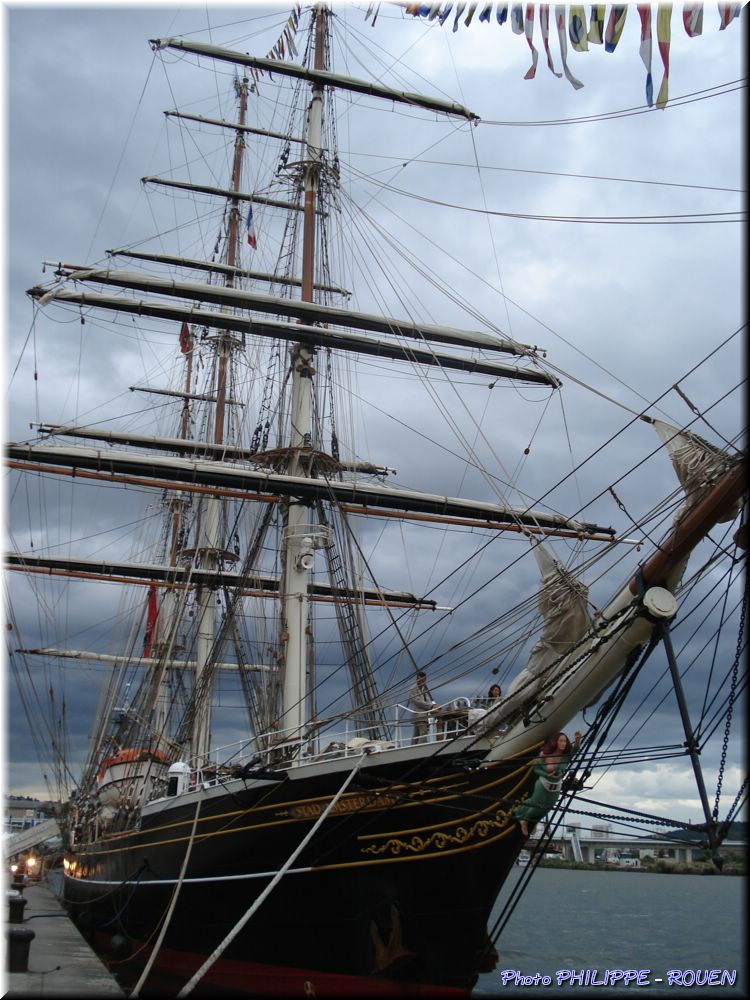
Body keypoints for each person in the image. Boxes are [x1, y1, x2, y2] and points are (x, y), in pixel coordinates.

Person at [514, 730, 581, 837]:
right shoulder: (544, 755)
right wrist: (547, 775)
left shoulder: (565, 757)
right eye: (561, 741)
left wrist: (577, 740)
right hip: (543, 783)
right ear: (555, 742)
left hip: (556, 786)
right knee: (535, 803)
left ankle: (534, 821)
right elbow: (536, 769)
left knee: (548, 807)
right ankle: (524, 820)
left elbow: (575, 750)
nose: (563, 743)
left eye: (565, 741)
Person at [407, 671, 437, 745]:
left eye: (423, 680)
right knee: (423, 732)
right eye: (420, 680)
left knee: (416, 734)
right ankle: (421, 747)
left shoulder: (423, 689)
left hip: (423, 714)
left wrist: (434, 705)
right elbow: (418, 701)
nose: (421, 681)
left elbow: (427, 699)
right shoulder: (413, 689)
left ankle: (412, 748)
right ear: (417, 679)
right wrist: (431, 706)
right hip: (418, 714)